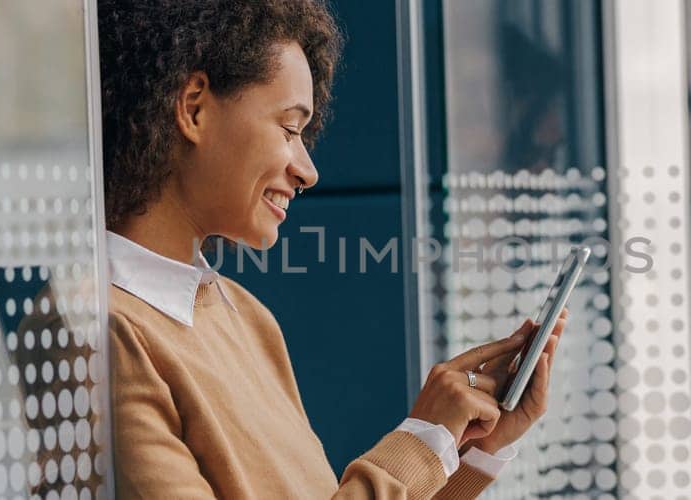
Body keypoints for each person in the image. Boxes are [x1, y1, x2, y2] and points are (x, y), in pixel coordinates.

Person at [96, 0, 568, 498]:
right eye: (290, 128)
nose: (308, 170)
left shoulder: (246, 319)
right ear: (194, 108)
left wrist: (470, 450)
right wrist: (421, 442)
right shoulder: (104, 329)